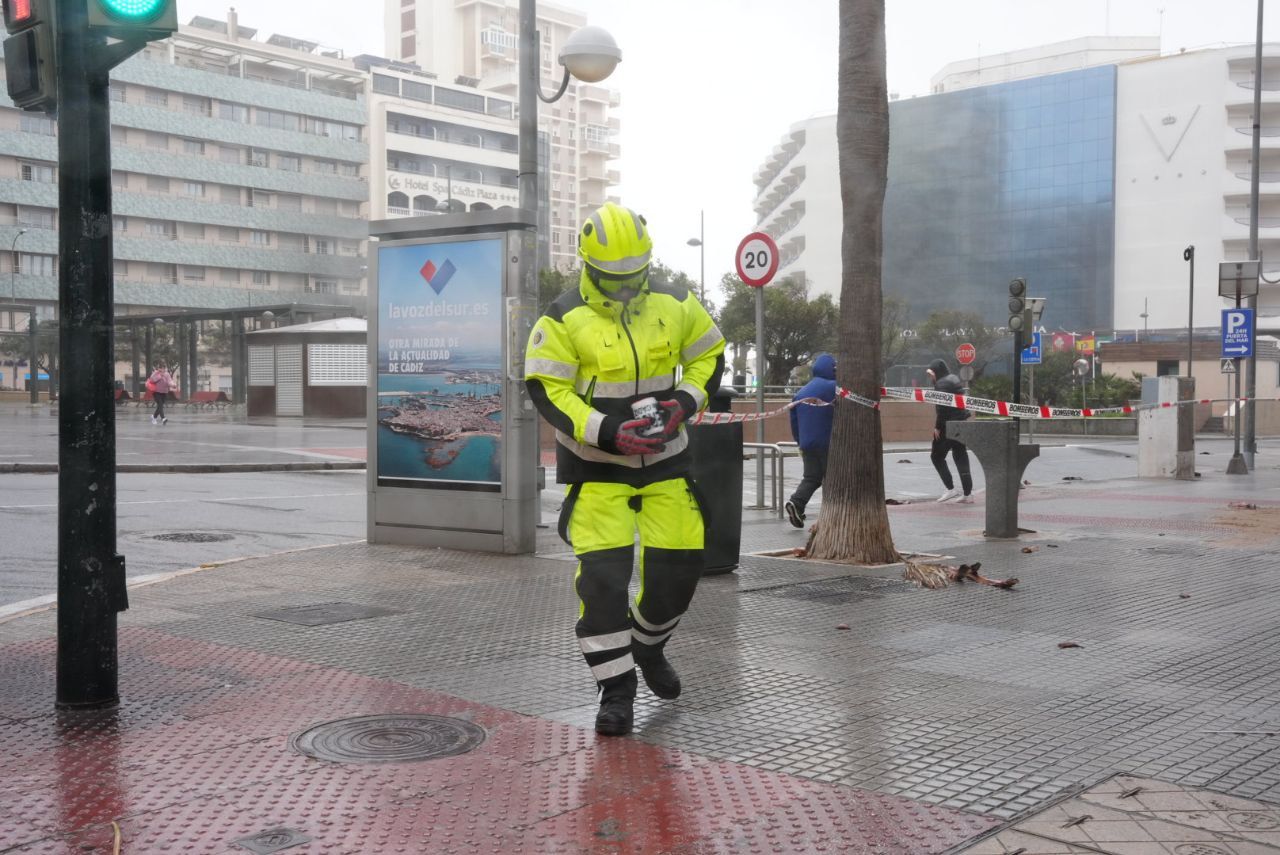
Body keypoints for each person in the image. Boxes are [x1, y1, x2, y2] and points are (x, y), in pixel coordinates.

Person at [524, 202, 726, 737]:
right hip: (598, 472)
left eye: (634, 278)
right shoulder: (561, 319)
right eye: (613, 281)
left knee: (680, 572)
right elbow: (548, 390)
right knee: (603, 584)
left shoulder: (676, 302)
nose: (625, 290)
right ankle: (616, 690)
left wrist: (682, 402)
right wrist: (609, 432)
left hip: (667, 463)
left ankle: (649, 645)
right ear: (588, 266)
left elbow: (711, 355)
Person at [784, 353, 836, 528]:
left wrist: (800, 443)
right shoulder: (835, 388)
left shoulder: (801, 393)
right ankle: (832, 514)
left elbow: (794, 422)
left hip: (807, 443)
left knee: (812, 477)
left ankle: (796, 503)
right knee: (833, 479)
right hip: (829, 442)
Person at [927, 358, 973, 503]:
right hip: (961, 424)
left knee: (936, 457)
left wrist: (937, 427)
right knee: (960, 456)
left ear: (936, 372)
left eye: (931, 374)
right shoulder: (953, 378)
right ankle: (968, 494)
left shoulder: (942, 384)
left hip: (948, 427)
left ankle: (950, 489)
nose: (930, 377)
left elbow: (942, 409)